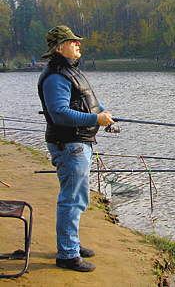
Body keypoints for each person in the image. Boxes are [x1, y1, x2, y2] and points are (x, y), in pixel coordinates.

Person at [37, 25, 115, 272]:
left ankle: (71, 243)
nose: (78, 44)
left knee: (76, 198)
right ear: (60, 47)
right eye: (72, 41)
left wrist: (104, 115)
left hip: (79, 144)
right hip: (70, 145)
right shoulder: (56, 76)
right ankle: (68, 255)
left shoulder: (71, 71)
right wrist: (95, 120)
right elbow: (59, 113)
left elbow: (87, 97)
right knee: (72, 200)